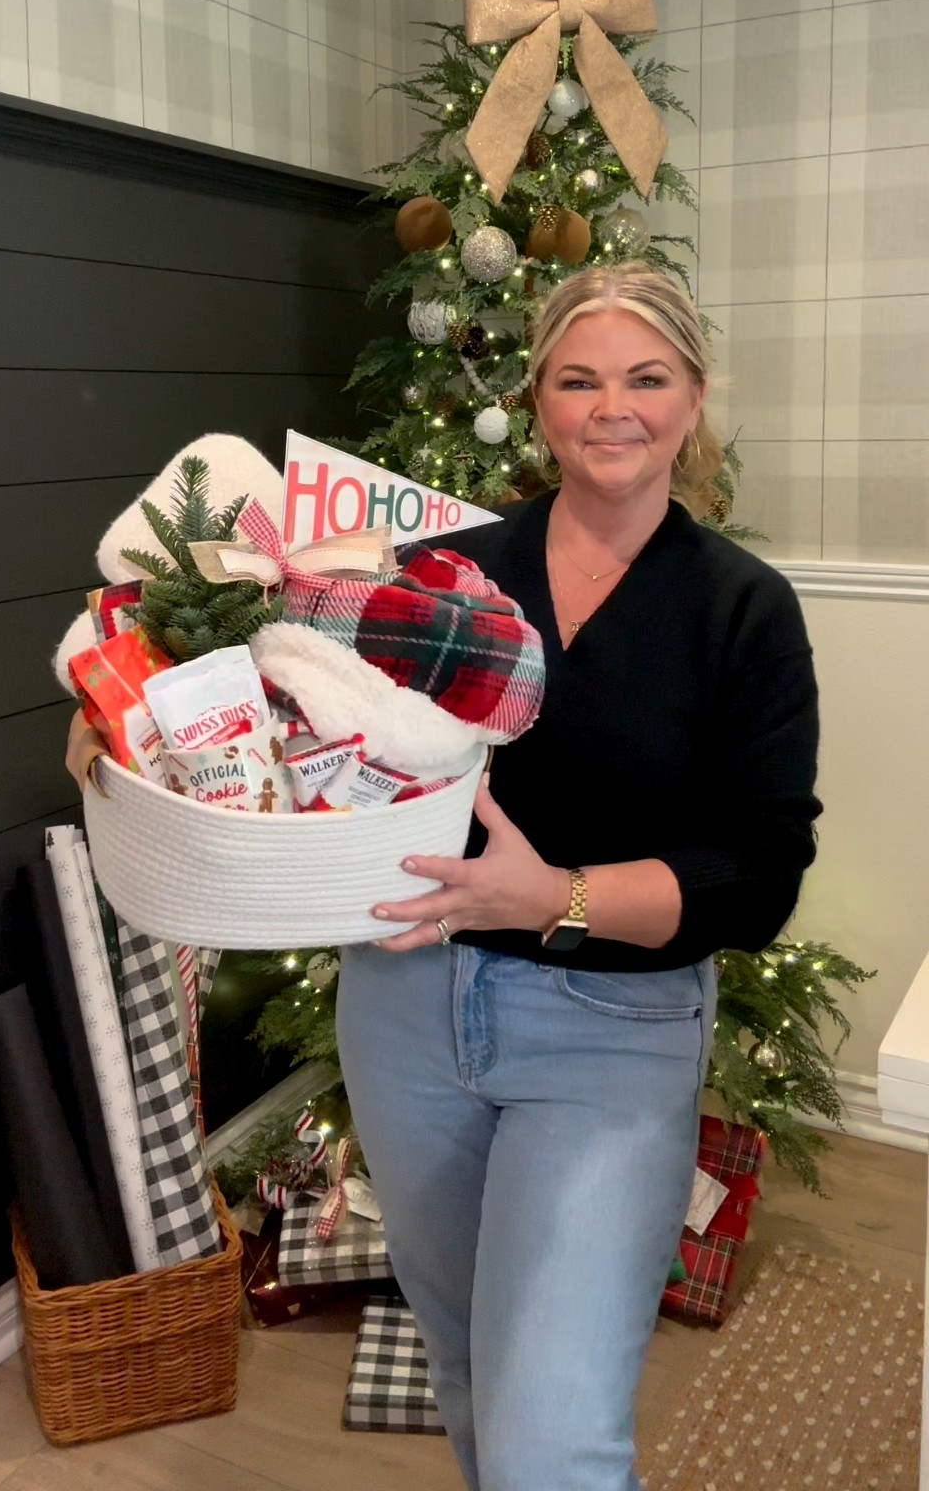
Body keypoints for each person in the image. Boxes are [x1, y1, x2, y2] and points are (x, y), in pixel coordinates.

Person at [335, 261, 821, 1491]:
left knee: (551, 1440)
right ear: (538, 401)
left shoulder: (740, 611)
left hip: (613, 1034)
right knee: (469, 1377)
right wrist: (145, 717)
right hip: (404, 1017)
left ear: (694, 400)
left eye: (647, 379)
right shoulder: (448, 571)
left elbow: (756, 876)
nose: (615, 408)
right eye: (580, 378)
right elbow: (317, 722)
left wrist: (548, 898)